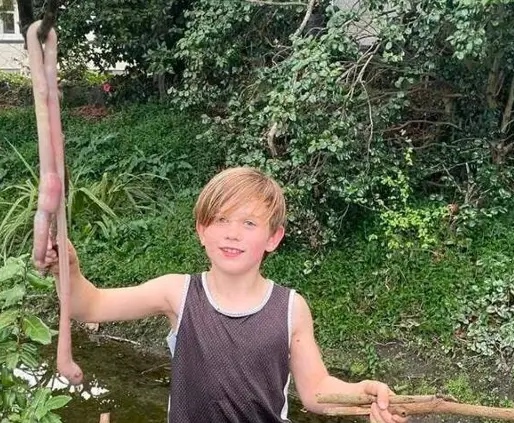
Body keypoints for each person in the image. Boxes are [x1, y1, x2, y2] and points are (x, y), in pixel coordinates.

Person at [36, 166, 408, 423]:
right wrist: (68, 268)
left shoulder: (291, 308)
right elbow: (89, 305)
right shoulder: (176, 293)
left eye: (249, 223)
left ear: (273, 238)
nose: (232, 234)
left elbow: (316, 392)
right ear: (202, 230)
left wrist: (362, 396)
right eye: (220, 220)